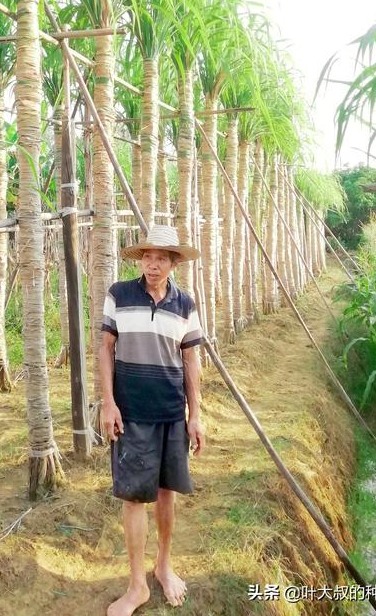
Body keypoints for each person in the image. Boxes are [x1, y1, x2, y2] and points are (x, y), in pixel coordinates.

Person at [99, 224, 206, 616]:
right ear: (140, 259)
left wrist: (196, 416)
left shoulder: (185, 304)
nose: (153, 264)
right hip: (131, 415)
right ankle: (136, 585)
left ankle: (163, 565)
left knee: (166, 492)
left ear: (174, 262)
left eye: (162, 258)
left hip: (171, 413)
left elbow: (191, 360)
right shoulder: (119, 295)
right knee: (133, 497)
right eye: (148, 256)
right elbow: (105, 350)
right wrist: (108, 404)